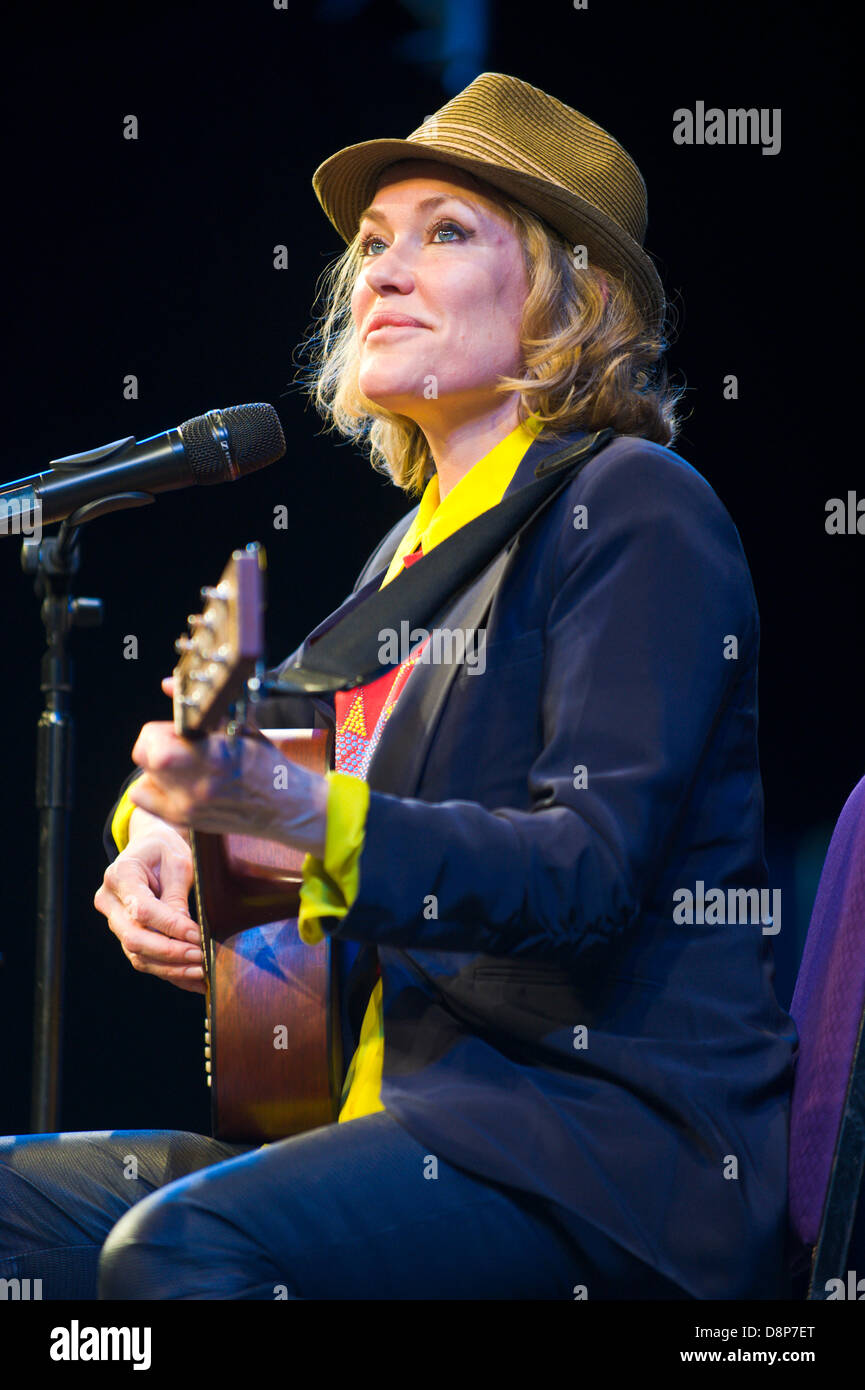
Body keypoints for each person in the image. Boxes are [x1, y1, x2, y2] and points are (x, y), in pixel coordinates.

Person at [0, 71, 797, 1301]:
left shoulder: (632, 507)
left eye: (443, 233)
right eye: (373, 244)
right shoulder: (410, 555)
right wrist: (156, 830)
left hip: (591, 1155)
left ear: (566, 294)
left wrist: (298, 820)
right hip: (380, 1122)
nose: (378, 271)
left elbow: (582, 872)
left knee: (177, 1249)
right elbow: (260, 750)